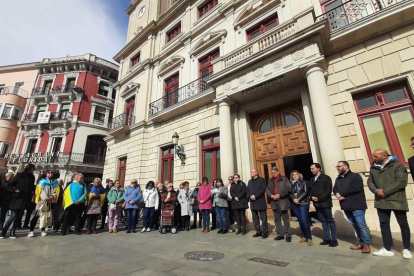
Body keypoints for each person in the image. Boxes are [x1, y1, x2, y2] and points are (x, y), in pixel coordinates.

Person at [368, 149, 411, 258]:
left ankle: (406, 248)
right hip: (381, 200)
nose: (374, 158)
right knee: (384, 224)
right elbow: (370, 181)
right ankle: (387, 248)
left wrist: (385, 191)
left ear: (384, 156)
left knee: (403, 224)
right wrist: (376, 191)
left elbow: (401, 181)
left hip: (396, 199)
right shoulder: (373, 168)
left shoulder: (398, 166)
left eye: (376, 156)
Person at [333, 161, 371, 253]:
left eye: (339, 166)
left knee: (361, 225)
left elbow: (356, 188)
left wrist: (342, 194)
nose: (337, 168)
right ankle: (361, 242)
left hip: (357, 204)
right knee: (354, 224)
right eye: (337, 166)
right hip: (346, 204)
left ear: (345, 166)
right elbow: (335, 188)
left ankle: (366, 244)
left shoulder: (355, 176)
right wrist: (337, 194)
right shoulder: (338, 178)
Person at [0, 164, 36, 239]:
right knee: (13, 216)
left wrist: (32, 192)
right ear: (28, 168)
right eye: (32, 169)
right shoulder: (20, 175)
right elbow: (9, 185)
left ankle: (12, 232)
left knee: (19, 217)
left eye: (33, 169)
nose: (33, 170)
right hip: (17, 198)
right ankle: (3, 232)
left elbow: (32, 186)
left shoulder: (32, 177)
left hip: (25, 199)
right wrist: (14, 190)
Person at [310, 163, 338, 247]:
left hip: (325, 203)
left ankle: (334, 239)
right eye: (311, 169)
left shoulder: (326, 178)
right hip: (317, 204)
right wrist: (312, 197)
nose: (311, 170)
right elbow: (310, 190)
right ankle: (327, 238)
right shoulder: (312, 179)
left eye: (313, 168)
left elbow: (328, 190)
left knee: (330, 220)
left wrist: (319, 198)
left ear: (318, 168)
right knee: (322, 220)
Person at [28, 170, 59, 237]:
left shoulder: (54, 182)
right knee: (37, 215)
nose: (51, 174)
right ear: (46, 174)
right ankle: (31, 231)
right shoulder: (42, 181)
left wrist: (52, 197)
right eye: (49, 172)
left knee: (46, 217)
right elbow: (39, 191)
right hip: (41, 201)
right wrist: (45, 198)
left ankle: (43, 230)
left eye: (52, 172)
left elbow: (56, 191)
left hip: (49, 201)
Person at [266, 167, 292, 242]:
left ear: (278, 172)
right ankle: (280, 234)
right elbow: (267, 189)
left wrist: (280, 195)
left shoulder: (284, 179)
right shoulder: (270, 180)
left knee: (285, 219)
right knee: (277, 219)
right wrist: (271, 195)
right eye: (272, 173)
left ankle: (288, 234)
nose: (273, 174)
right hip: (274, 201)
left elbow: (288, 188)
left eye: (274, 172)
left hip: (282, 201)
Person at [289, 170, 312, 246]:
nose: (295, 176)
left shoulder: (303, 182)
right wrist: (293, 199)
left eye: (296, 174)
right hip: (294, 204)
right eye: (293, 175)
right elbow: (290, 193)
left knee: (304, 219)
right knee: (300, 220)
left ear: (299, 175)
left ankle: (309, 238)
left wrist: (298, 199)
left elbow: (305, 192)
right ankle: (303, 236)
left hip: (303, 203)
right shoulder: (291, 184)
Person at [247, 169, 268, 239]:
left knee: (263, 217)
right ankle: (258, 231)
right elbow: (247, 190)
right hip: (253, 202)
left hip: (260, 201)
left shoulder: (262, 180)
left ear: (256, 173)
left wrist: (255, 195)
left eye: (252, 172)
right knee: (255, 218)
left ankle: (265, 232)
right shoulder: (250, 181)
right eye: (251, 172)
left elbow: (262, 189)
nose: (251, 173)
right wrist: (250, 195)